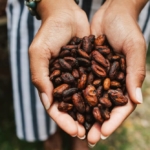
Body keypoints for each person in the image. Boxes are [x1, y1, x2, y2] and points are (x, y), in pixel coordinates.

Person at [6, 0, 150, 149]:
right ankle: (50, 134)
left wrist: (126, 6)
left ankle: (82, 136)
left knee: (67, 107)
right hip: (49, 11)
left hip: (121, 10)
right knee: (43, 80)